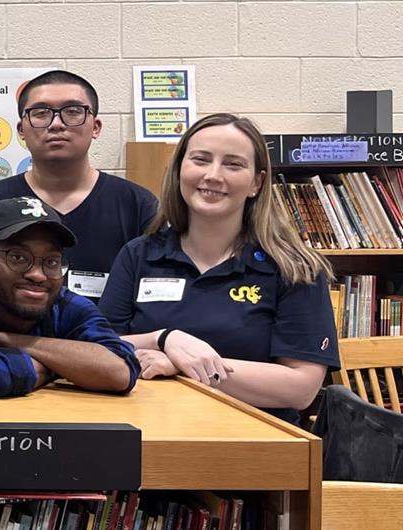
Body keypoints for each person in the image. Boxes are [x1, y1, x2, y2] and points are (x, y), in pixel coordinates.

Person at [98, 113, 338, 423]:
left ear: (256, 182)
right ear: (179, 170)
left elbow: (300, 387)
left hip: (255, 445)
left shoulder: (294, 267)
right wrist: (164, 339)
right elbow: (100, 348)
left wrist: (186, 365)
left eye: (233, 164)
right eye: (200, 159)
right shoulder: (138, 254)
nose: (213, 175)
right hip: (148, 433)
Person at [0, 70, 157, 300]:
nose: (57, 124)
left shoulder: (137, 205)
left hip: (105, 336)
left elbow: (148, 302)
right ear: (22, 130)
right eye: (41, 113)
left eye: (73, 112)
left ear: (96, 127)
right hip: (3, 336)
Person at [0, 197, 140, 398]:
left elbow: (120, 372)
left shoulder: (69, 306)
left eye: (51, 262)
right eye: (18, 258)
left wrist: (12, 341)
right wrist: (62, 365)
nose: (38, 275)